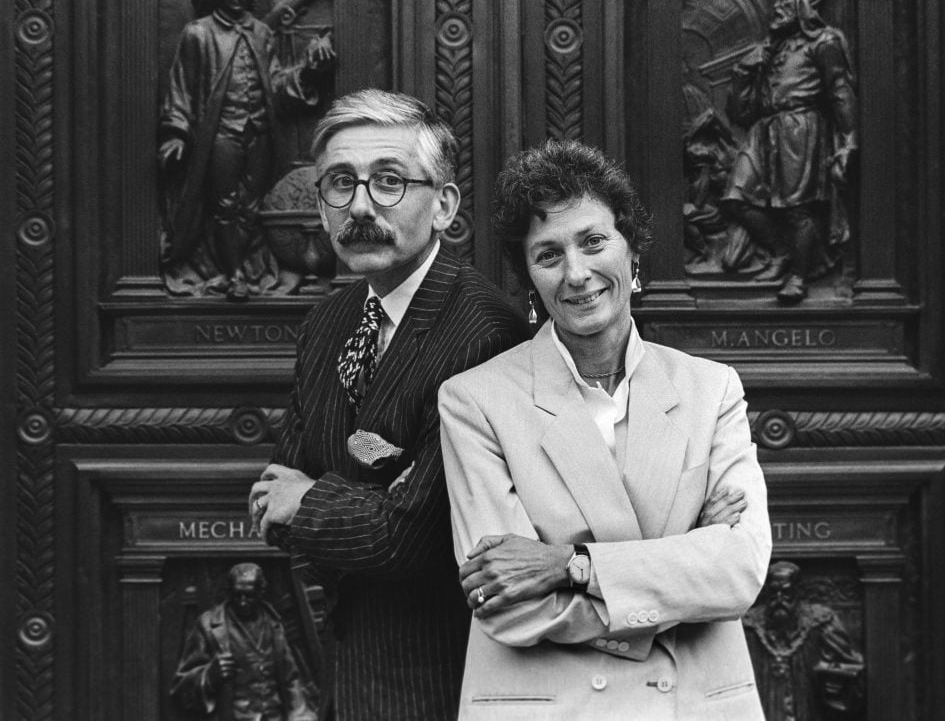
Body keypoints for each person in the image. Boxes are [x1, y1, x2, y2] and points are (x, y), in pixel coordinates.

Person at [438, 140, 772, 719]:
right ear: (530, 280)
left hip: (693, 703)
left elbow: (738, 572)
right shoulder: (475, 401)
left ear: (633, 251)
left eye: (593, 242)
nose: (577, 273)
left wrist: (569, 565)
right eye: (548, 255)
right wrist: (685, 564)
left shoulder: (710, 389)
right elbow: (505, 602)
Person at [247, 89, 530, 720]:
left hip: (442, 680)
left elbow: (411, 541)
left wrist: (313, 495)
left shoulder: (485, 333)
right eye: (340, 184)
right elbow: (273, 498)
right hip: (348, 671)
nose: (361, 206)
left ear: (445, 206)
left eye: (389, 182)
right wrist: (355, 502)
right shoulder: (330, 320)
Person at [159, 0, 334, 299]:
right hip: (222, 132)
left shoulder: (261, 33)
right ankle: (233, 274)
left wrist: (306, 73)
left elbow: (276, 84)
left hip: (260, 132)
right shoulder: (198, 34)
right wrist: (176, 132)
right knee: (225, 205)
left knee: (252, 207)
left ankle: (251, 269)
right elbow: (181, 88)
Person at [722, 0, 857, 303]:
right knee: (736, 197)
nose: (777, 8)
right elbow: (742, 114)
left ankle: (798, 275)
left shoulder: (823, 42)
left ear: (803, 5)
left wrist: (849, 139)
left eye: (784, 1)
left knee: (798, 208)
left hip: (800, 128)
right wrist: (744, 72)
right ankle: (782, 253)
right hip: (764, 131)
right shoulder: (775, 48)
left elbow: (839, 89)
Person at [170, 563, 317, 721]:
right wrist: (209, 676)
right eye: (237, 595)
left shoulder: (274, 623)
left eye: (249, 595)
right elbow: (179, 687)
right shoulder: (208, 625)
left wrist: (300, 714)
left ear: (260, 593)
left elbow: (290, 678)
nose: (242, 602)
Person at [743, 561, 865, 721]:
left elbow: (851, 669)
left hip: (807, 709)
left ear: (798, 592)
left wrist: (836, 685)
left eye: (786, 593)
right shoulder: (750, 625)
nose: (779, 600)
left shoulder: (821, 622)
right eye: (773, 593)